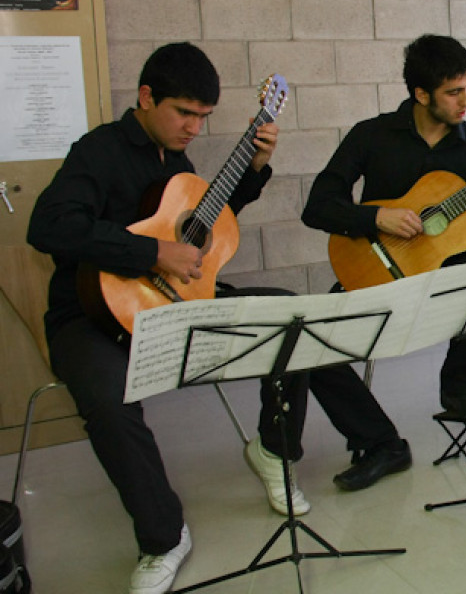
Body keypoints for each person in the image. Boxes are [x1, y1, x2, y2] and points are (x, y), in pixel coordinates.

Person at [28, 42, 332, 594]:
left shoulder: (179, 163)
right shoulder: (98, 151)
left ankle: (271, 450)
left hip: (172, 305)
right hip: (89, 314)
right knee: (109, 404)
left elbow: (201, 227)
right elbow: (47, 228)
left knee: (289, 319)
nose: (193, 128)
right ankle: (164, 539)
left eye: (203, 118)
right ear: (146, 97)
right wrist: (148, 254)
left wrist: (255, 168)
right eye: (184, 113)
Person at [302, 34, 466, 422]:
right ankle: (376, 440)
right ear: (422, 95)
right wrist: (376, 217)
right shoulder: (371, 136)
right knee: (309, 343)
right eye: (454, 92)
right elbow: (317, 207)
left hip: (447, 282)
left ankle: (461, 391)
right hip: (375, 274)